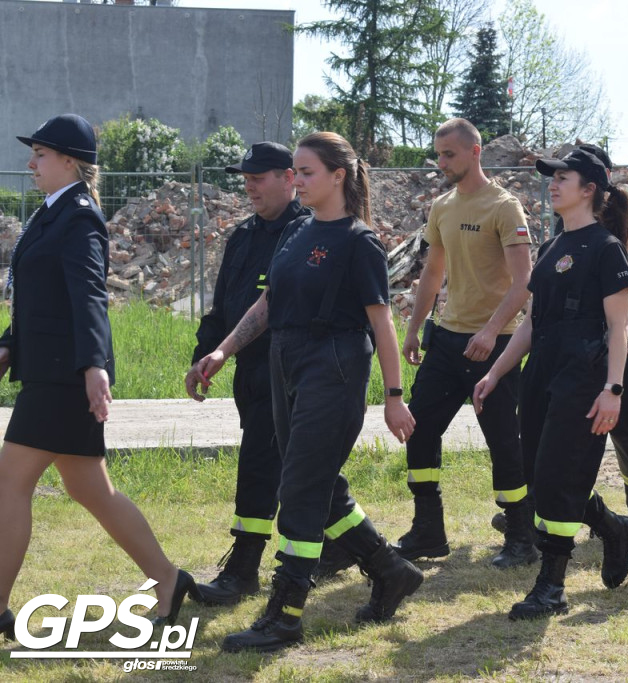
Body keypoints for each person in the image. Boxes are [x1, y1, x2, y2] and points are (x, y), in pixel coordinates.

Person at [189, 132, 421, 652]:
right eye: (294, 171)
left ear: (338, 175)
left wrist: (394, 395)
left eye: (307, 171)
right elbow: (268, 303)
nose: (297, 179)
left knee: (298, 486)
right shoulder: (296, 234)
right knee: (318, 483)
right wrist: (223, 350)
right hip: (284, 361)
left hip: (333, 365)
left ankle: (286, 613)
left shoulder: (359, 242)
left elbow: (382, 324)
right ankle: (390, 570)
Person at [0, 114, 196, 638]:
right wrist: (8, 345)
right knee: (91, 489)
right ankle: (168, 579)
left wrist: (93, 367)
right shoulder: (52, 212)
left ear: (69, 161)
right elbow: (39, 295)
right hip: (50, 369)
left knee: (9, 483)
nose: (31, 163)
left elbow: (89, 296)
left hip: (65, 375)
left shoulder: (79, 217)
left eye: (40, 155)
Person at [473, 148, 628, 619]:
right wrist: (496, 372)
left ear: (589, 189)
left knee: (559, 473)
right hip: (542, 368)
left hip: (582, 373)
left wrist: (614, 389)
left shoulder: (606, 248)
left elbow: (618, 326)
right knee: (539, 473)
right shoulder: (551, 248)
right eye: (553, 177)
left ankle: (551, 586)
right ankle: (612, 525)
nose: (553, 184)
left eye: (563, 177)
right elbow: (531, 322)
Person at [398, 118, 534, 568]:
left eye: (449, 154)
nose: (442, 163)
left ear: (475, 152)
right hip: (448, 341)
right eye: (438, 155)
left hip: (495, 345)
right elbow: (433, 273)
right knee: (418, 429)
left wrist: (491, 330)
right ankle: (428, 531)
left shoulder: (504, 206)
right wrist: (415, 327)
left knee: (502, 440)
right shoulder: (441, 206)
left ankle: (520, 536)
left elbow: (523, 284)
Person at [186, 143, 311, 605]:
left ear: (288, 177)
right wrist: (205, 355)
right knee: (292, 468)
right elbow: (224, 307)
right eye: (246, 177)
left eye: (259, 177)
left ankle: (243, 569)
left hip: (290, 368)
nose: (249, 185)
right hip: (248, 372)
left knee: (261, 465)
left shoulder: (305, 232)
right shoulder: (242, 236)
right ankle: (353, 549)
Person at [540, 142, 628, 533]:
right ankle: (563, 506)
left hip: (623, 343)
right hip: (575, 349)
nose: (558, 183)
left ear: (596, 184)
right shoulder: (566, 225)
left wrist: (606, 329)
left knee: (627, 422)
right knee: (571, 432)